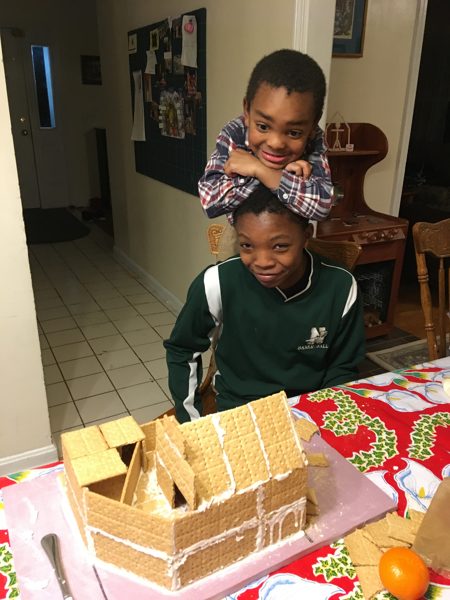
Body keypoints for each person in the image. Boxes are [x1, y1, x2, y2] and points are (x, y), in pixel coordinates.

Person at [165, 186, 365, 423]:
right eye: (247, 245)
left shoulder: (341, 286)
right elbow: (182, 349)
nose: (262, 262)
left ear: (306, 236)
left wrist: (326, 416)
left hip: (310, 404)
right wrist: (192, 422)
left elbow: (343, 366)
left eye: (279, 246)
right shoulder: (217, 282)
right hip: (240, 407)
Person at [198, 49, 333, 223]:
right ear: (247, 111)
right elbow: (210, 201)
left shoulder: (314, 140)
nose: (276, 143)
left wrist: (261, 170)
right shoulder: (235, 132)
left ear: (314, 125)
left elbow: (323, 205)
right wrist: (282, 178)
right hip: (243, 234)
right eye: (263, 127)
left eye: (294, 133)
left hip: (288, 234)